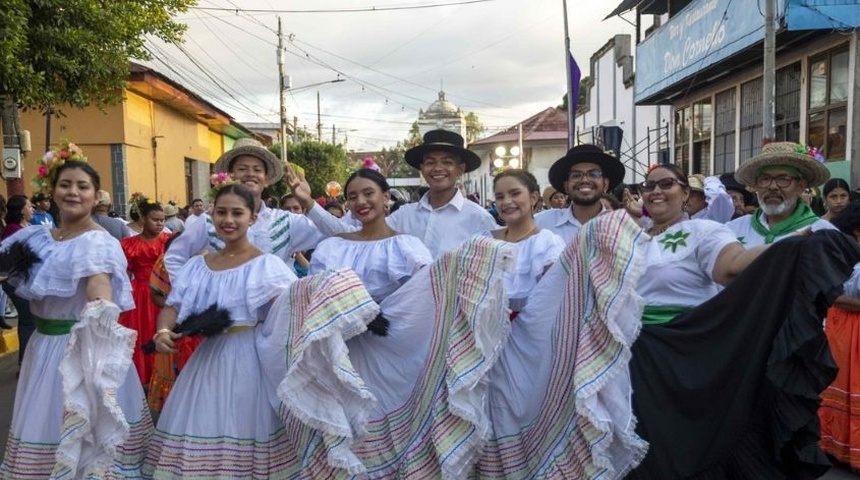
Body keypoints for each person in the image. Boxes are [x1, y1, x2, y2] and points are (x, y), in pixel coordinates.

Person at [0, 142, 152, 478]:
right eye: (65, 184)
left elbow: (99, 282)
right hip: (43, 347)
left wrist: (100, 311)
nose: (73, 192)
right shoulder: (37, 238)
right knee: (47, 424)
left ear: (96, 195)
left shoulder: (97, 242)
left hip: (83, 348)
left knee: (86, 431)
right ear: (51, 191)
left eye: (83, 186)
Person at [144, 183, 298, 478]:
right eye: (222, 212)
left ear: (252, 218)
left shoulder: (267, 266)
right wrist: (163, 331)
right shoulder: (197, 266)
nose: (229, 220)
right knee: (204, 423)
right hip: (207, 360)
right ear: (212, 216)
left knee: (243, 426)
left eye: (237, 213)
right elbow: (173, 307)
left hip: (250, 362)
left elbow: (291, 309)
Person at [294, 129, 497, 259]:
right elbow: (353, 236)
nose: (438, 168)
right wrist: (309, 203)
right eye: (430, 162)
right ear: (422, 168)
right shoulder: (403, 217)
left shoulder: (479, 220)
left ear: (460, 169)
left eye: (447, 162)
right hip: (406, 320)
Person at [164, 138, 324, 278]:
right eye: (242, 169)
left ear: (266, 179)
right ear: (231, 176)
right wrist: (190, 294)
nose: (250, 174)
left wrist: (308, 201)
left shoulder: (286, 221)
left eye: (257, 169)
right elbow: (175, 257)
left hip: (274, 310)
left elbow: (333, 234)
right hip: (224, 310)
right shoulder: (210, 221)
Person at [308, 168, 432, 303]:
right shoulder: (331, 247)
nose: (361, 201)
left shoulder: (407, 248)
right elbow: (315, 296)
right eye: (353, 197)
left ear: (386, 197)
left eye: (368, 193)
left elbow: (423, 298)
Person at [483, 169, 564, 314]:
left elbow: (554, 300)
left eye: (515, 194)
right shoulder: (484, 240)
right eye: (500, 197)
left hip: (533, 332)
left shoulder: (547, 244)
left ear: (533, 198)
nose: (507, 202)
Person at [727, 141, 834, 247]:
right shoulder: (733, 229)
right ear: (756, 185)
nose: (772, 186)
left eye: (783, 179)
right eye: (765, 179)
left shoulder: (823, 233)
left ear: (800, 186)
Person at [819, 203, 860, 470]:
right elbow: (828, 292)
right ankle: (838, 446)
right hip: (846, 328)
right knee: (846, 385)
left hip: (847, 325)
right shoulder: (843, 257)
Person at [119, 198, 169, 385]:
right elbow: (124, 273)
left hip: (164, 293)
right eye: (155, 219)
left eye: (162, 220)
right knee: (140, 337)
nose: (160, 224)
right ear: (143, 219)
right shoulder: (128, 244)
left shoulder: (169, 241)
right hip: (139, 295)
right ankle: (140, 379)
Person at [534, 144, 626, 244]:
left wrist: (644, 212)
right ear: (566, 186)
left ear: (605, 184)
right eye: (576, 175)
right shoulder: (542, 223)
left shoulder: (621, 227)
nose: (585, 180)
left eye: (593, 174)